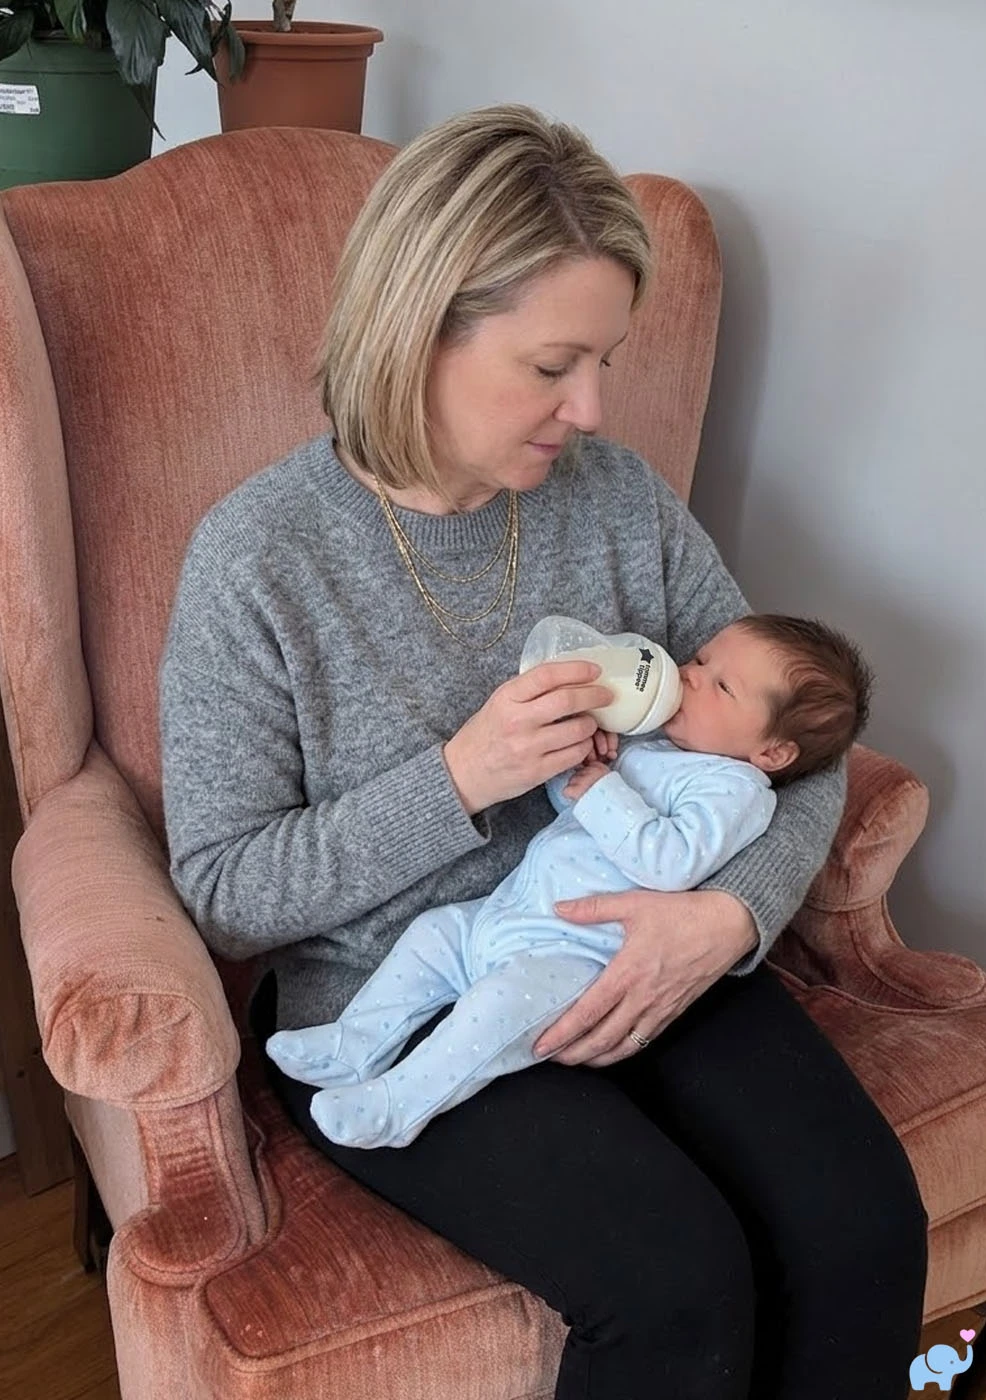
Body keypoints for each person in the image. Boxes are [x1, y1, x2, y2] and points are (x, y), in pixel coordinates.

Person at [160, 103, 928, 1400]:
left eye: (605, 360)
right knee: (674, 1290)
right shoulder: (260, 562)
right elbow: (228, 892)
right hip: (411, 995)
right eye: (552, 363)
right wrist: (456, 782)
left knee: (862, 1228)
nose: (587, 407)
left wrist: (725, 924)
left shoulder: (617, 499)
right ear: (420, 329)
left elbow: (797, 761)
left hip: (642, 936)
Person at [265, 614, 873, 1151]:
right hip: (508, 914)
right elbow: (574, 808)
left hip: (572, 958)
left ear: (772, 753)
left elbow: (669, 862)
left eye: (721, 685)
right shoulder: (660, 744)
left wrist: (605, 788)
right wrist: (582, 768)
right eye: (700, 660)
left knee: (493, 1014)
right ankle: (355, 1044)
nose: (689, 674)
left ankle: (399, 1104)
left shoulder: (734, 791)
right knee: (432, 934)